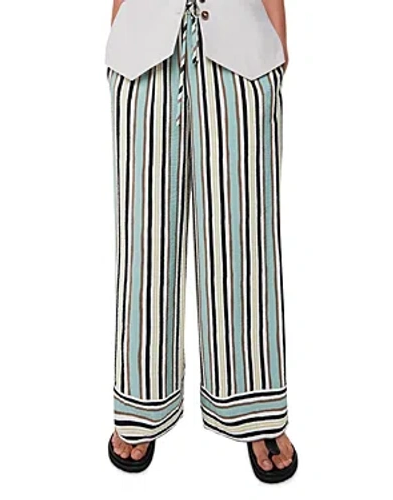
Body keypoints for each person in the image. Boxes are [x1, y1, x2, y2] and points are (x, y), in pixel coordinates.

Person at [104, 0, 298, 483]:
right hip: (143, 51)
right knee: (144, 241)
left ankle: (255, 407)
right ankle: (142, 402)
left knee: (245, 241)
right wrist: (119, 25)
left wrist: (278, 39)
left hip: (243, 51)